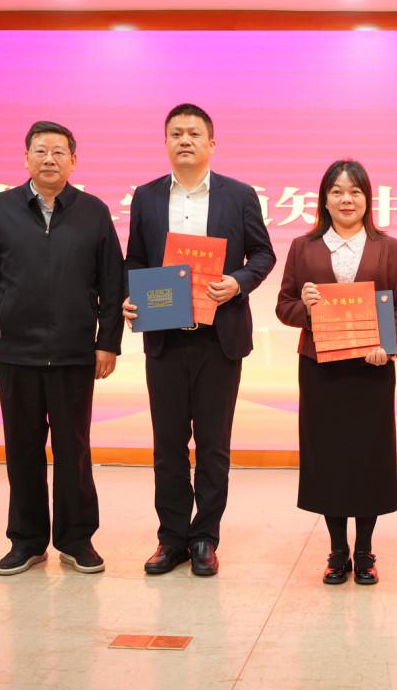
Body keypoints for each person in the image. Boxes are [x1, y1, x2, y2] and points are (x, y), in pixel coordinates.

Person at [0, 120, 124, 576]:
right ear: (26, 158)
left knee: (74, 450)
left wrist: (107, 343)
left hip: (75, 353)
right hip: (15, 352)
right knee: (22, 450)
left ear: (74, 160)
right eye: (40, 150)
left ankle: (77, 539)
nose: (49, 159)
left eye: (58, 151)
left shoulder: (94, 212)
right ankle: (27, 540)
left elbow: (112, 282)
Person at [123, 103, 276, 577]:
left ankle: (205, 536)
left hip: (219, 338)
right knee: (168, 445)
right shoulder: (147, 197)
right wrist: (132, 299)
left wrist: (238, 282)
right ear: (165, 143)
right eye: (176, 133)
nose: (184, 140)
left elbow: (263, 254)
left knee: (213, 445)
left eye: (193, 133)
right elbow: (135, 260)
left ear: (212, 143)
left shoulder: (239, 195)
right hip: (165, 338)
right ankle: (171, 538)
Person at [275, 160, 397, 585]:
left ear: (367, 199)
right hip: (320, 369)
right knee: (328, 459)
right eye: (337, 191)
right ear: (324, 200)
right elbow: (284, 306)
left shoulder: (390, 248)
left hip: (371, 371)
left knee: (368, 458)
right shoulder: (303, 247)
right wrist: (307, 308)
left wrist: (387, 346)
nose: (346, 199)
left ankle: (366, 551)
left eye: (354, 191)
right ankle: (338, 550)